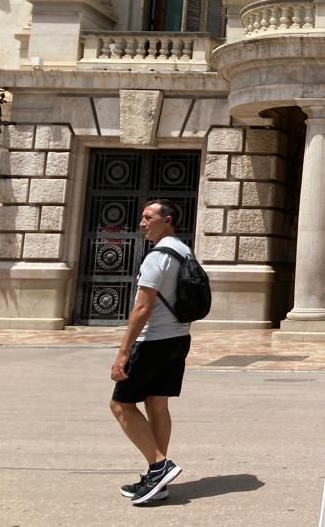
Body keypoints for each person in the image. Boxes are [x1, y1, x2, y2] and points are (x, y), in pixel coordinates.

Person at [109, 199, 191, 505]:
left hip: (153, 339)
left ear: (167, 220)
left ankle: (160, 466)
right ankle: (158, 481)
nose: (142, 222)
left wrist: (123, 351)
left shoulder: (157, 257)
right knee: (157, 404)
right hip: (178, 337)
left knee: (120, 405)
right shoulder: (183, 250)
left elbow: (142, 307)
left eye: (148, 217)